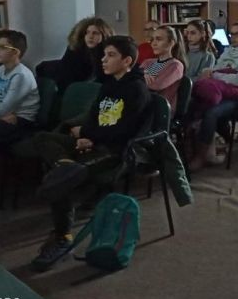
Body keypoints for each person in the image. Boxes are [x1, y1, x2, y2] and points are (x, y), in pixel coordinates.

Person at [31, 36, 151, 271]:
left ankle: (63, 237)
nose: (104, 60)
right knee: (43, 138)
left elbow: (125, 131)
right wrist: (87, 135)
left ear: (127, 61)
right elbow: (94, 116)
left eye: (111, 55)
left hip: (114, 150)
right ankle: (66, 163)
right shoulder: (108, 85)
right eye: (104, 55)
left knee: (62, 180)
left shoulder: (136, 89)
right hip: (94, 142)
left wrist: (89, 135)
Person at [187, 22, 238, 171]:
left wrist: (216, 75)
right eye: (231, 34)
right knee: (193, 104)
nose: (233, 37)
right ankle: (199, 146)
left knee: (210, 112)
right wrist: (216, 74)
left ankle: (202, 155)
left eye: (237, 34)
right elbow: (215, 71)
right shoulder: (227, 52)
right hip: (222, 92)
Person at [0, 30, 40, 148]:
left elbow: (4, 108)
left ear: (16, 52)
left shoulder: (21, 75)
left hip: (21, 121)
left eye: (2, 47)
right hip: (2, 117)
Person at [57, 16, 113, 91]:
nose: (90, 36)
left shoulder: (108, 53)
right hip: (73, 91)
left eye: (95, 33)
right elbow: (66, 77)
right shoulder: (74, 50)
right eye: (87, 33)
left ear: (104, 35)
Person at [140, 25, 186, 113]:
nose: (153, 43)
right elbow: (132, 79)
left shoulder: (175, 65)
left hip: (159, 109)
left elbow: (156, 85)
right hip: (143, 103)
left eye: (159, 39)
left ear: (171, 43)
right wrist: (141, 76)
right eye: (152, 39)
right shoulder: (147, 62)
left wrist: (140, 77)